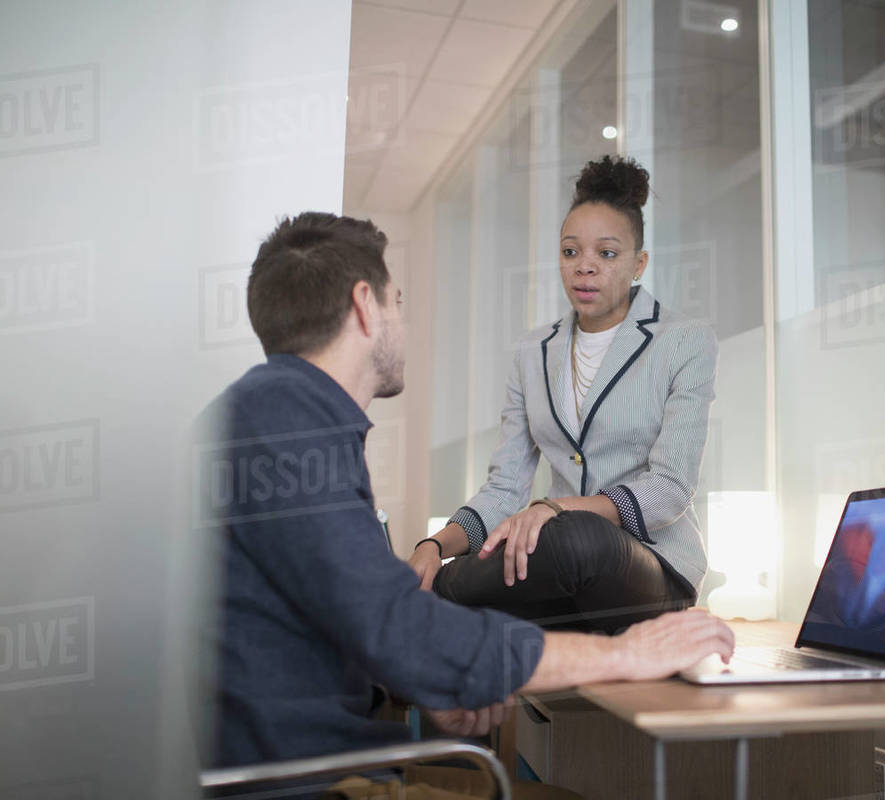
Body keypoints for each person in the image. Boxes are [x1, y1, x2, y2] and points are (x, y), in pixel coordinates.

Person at [195, 212, 734, 797]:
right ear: (363, 306)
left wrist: (414, 682)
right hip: (313, 782)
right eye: (396, 300)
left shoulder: (266, 416)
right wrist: (625, 654)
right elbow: (396, 623)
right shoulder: (288, 430)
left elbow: (317, 625)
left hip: (311, 760)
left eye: (606, 253)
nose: (402, 320)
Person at [410, 155, 717, 634]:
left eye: (607, 254)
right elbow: (505, 488)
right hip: (558, 562)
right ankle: (429, 600)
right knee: (487, 561)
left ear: (639, 264)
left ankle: (444, 602)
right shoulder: (533, 351)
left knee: (573, 539)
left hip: (652, 568)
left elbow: (671, 488)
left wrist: (556, 509)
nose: (585, 268)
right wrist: (434, 546)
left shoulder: (684, 339)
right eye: (571, 252)